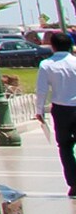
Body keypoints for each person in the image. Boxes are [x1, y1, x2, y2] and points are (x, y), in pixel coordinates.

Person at [39, 30, 76, 194]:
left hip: (61, 110)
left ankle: (74, 183)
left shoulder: (47, 65)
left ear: (52, 47)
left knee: (65, 146)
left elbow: (41, 90)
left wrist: (39, 110)